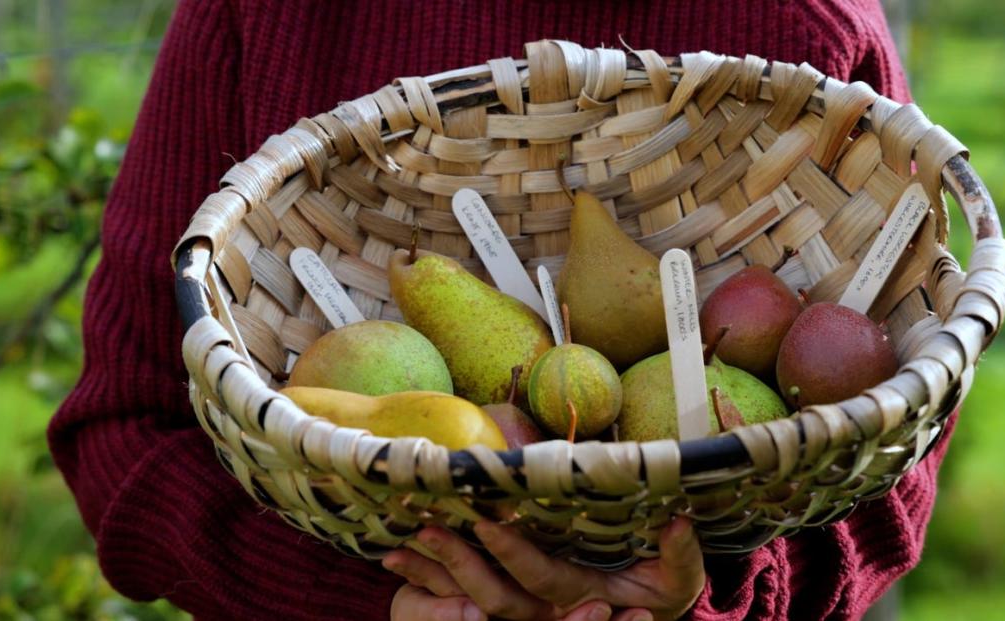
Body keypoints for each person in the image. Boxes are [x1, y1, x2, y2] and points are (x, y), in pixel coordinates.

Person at [49, 1, 954, 619]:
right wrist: (382, 602)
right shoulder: (271, 14)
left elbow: (892, 471)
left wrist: (712, 598)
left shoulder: (798, 26)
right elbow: (124, 429)